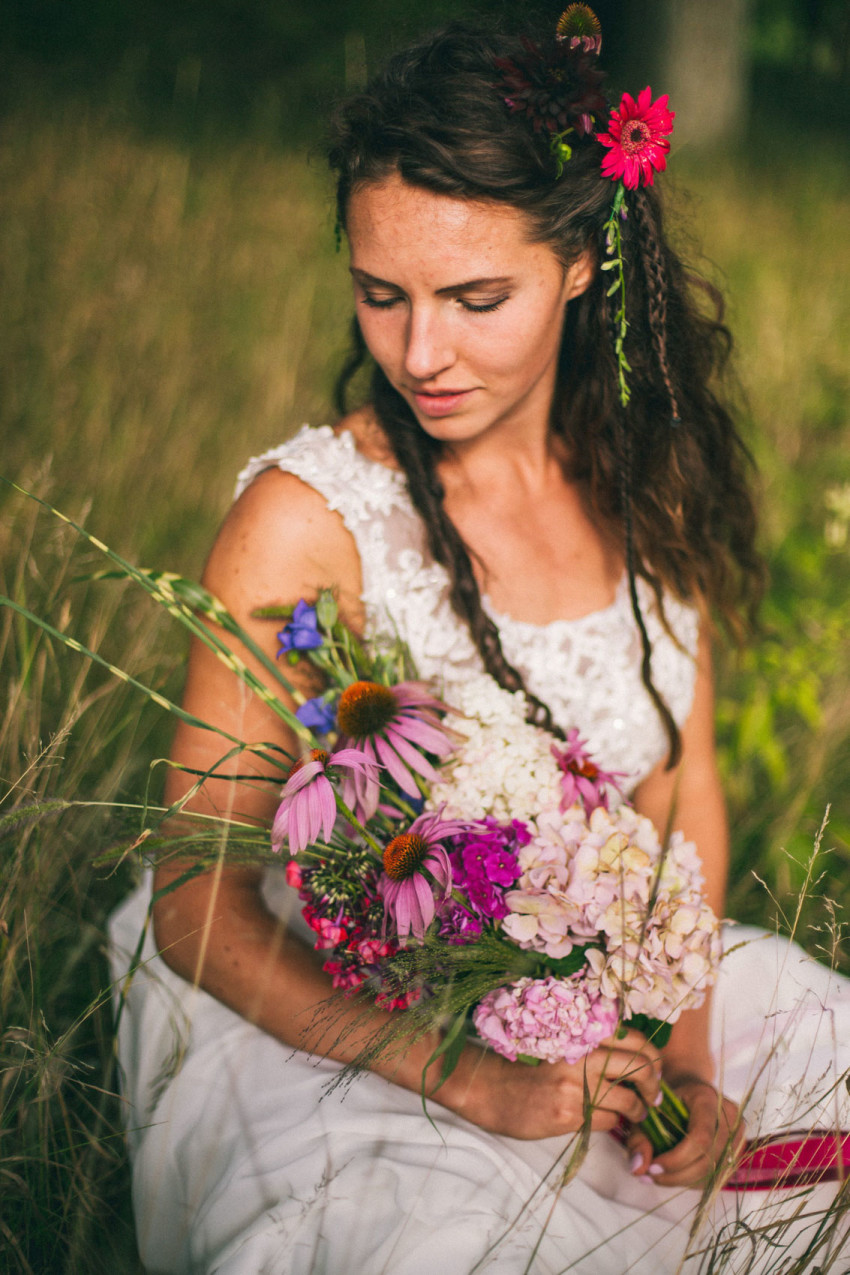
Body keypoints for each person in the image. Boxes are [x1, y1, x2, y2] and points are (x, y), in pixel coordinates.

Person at [109, 14, 850, 1273]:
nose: (420, 353)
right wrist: (472, 1078)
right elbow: (194, 907)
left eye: (475, 297)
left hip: (611, 984)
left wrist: (679, 1056)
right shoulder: (307, 526)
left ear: (576, 263)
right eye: (379, 294)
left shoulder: (645, 482)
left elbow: (681, 789)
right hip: (347, 1016)